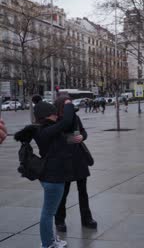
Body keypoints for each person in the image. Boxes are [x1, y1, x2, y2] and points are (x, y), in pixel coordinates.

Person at [15, 100, 74, 248]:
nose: (56, 116)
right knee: (48, 213)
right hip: (53, 177)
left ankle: (51, 239)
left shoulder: (44, 129)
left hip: (50, 175)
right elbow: (66, 121)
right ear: (47, 116)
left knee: (50, 211)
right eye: (54, 113)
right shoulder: (46, 131)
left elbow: (65, 126)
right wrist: (67, 103)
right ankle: (47, 244)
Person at [53, 96, 97, 233]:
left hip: (78, 158)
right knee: (63, 193)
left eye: (70, 104)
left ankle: (86, 219)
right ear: (61, 106)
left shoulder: (75, 118)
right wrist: (74, 139)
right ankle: (60, 220)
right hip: (63, 160)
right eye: (67, 105)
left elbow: (83, 131)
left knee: (83, 191)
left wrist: (82, 136)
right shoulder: (55, 120)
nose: (70, 107)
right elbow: (56, 139)